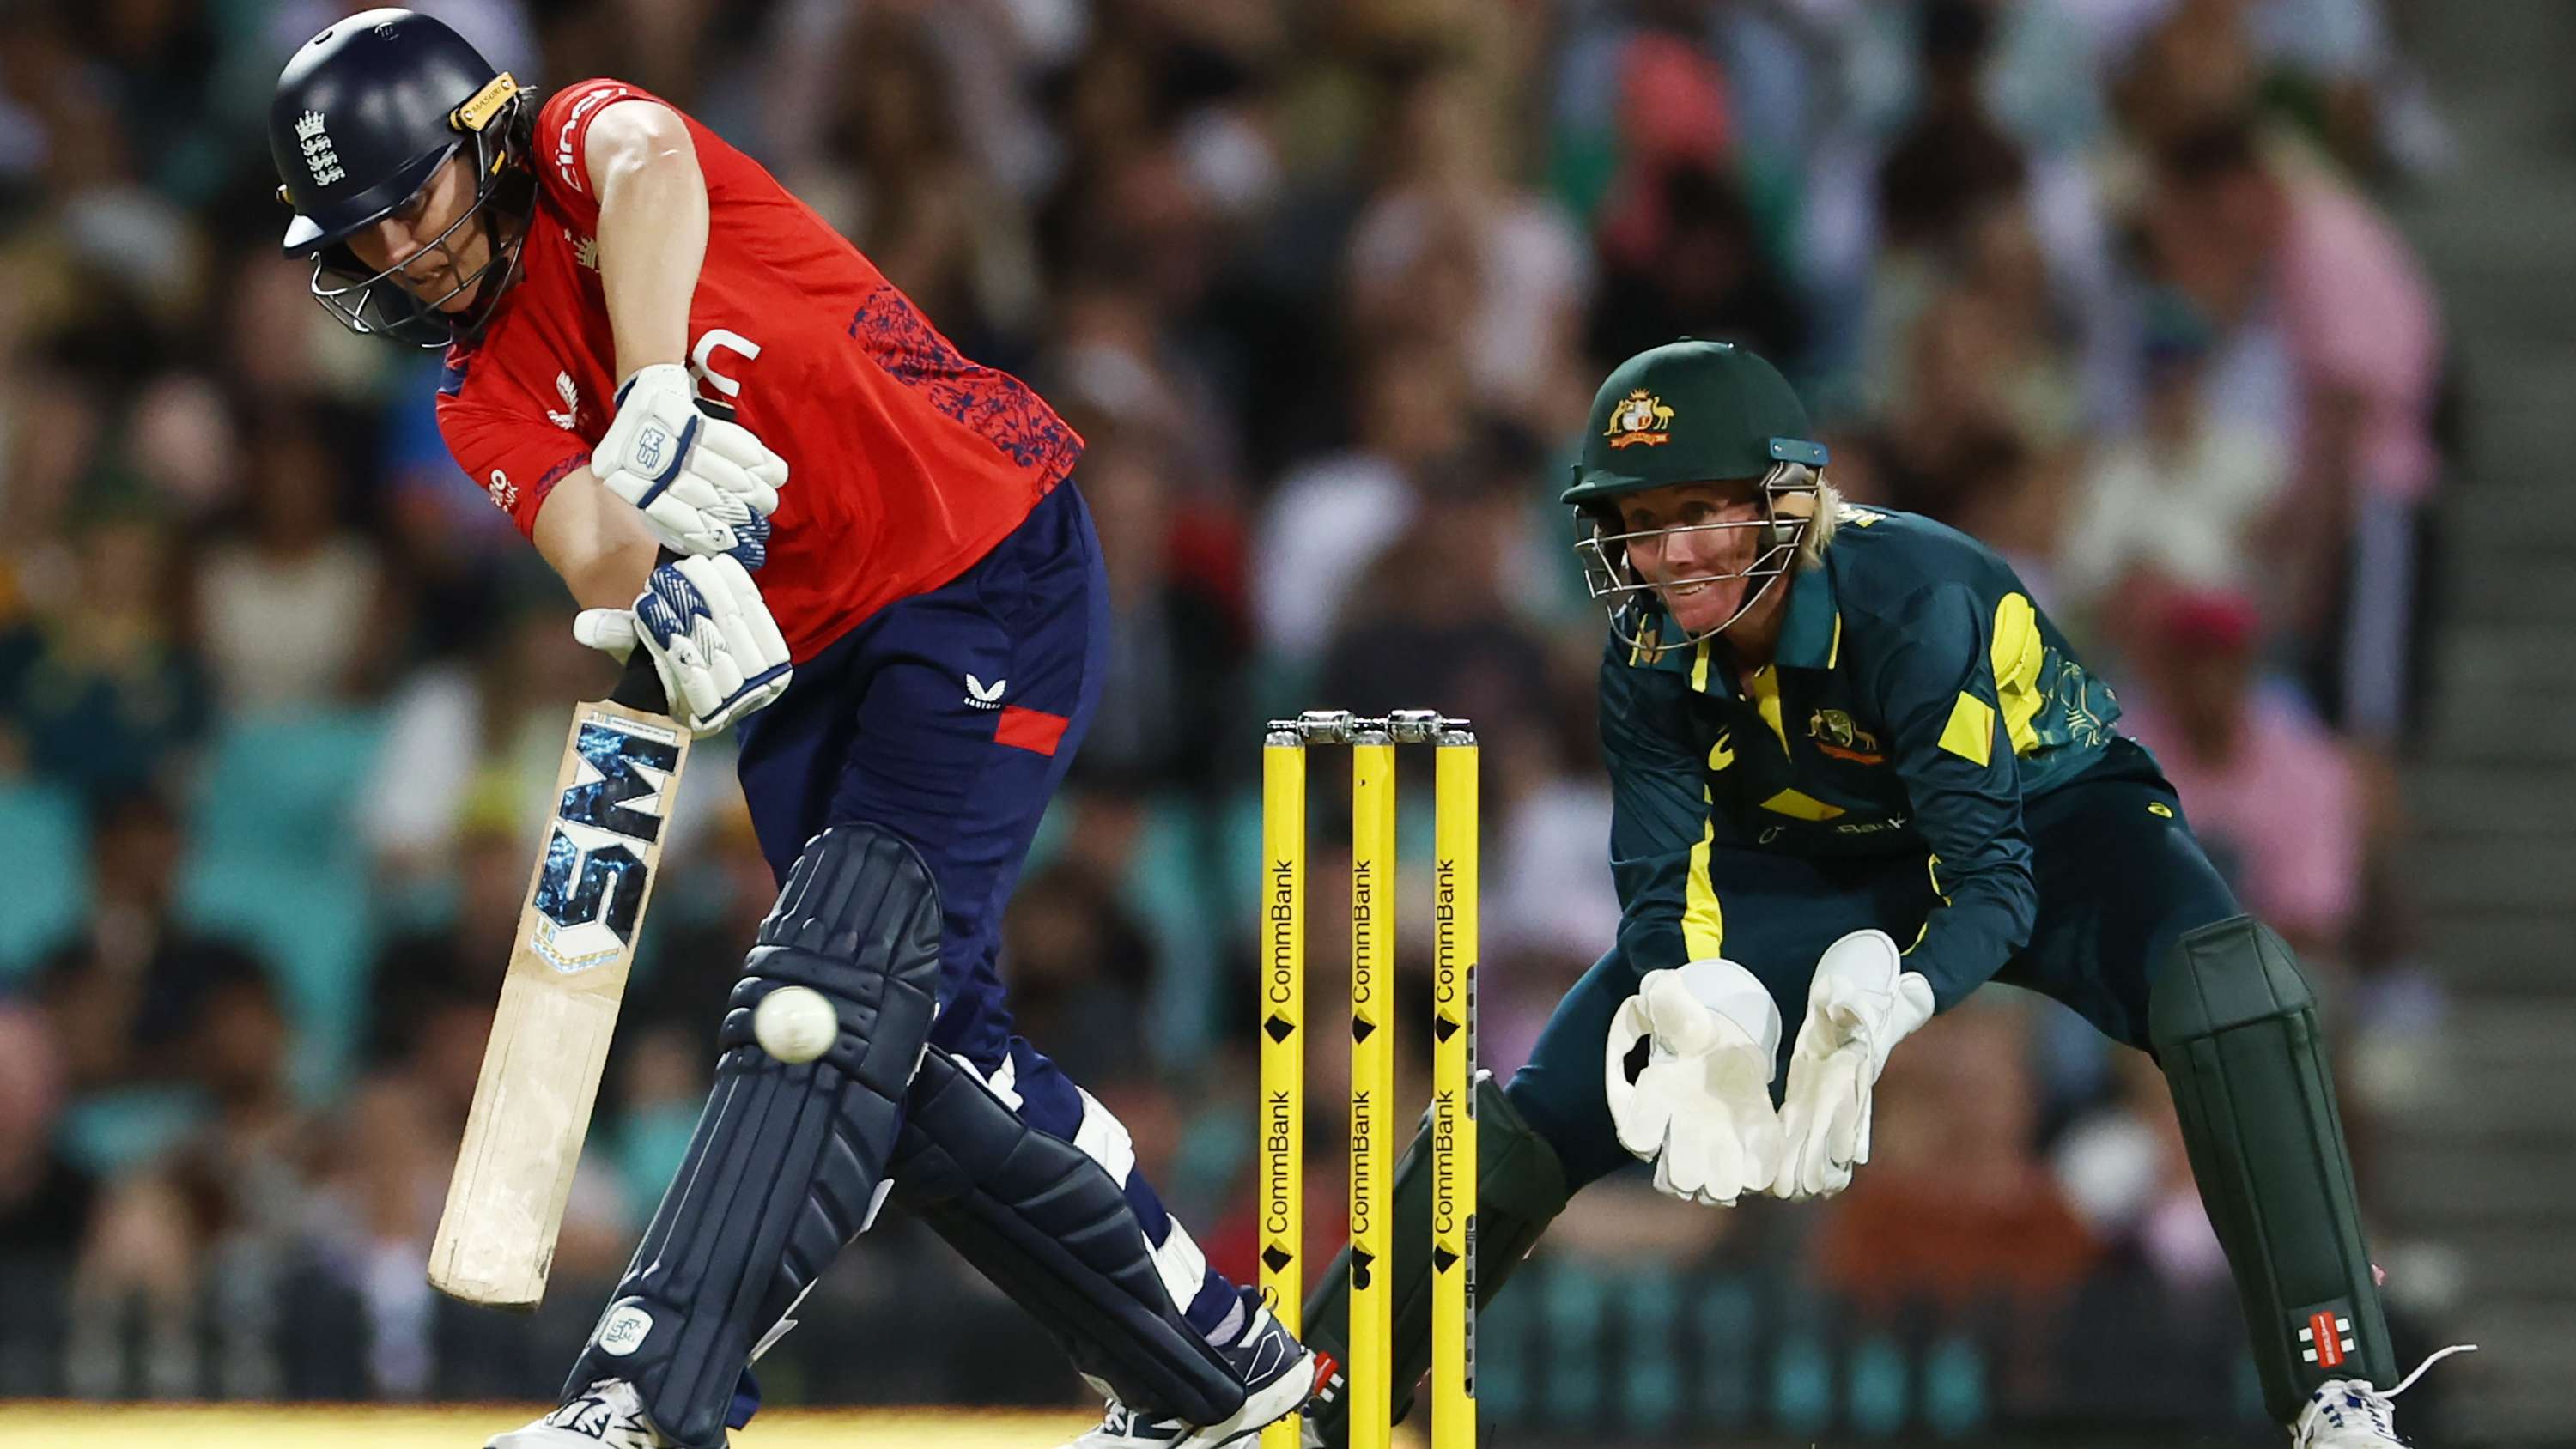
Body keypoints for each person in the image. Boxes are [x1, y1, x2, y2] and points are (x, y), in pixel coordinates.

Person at [262, 12, 1321, 1448]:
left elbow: (649, 163)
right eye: (360, 238)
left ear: (483, 134)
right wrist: (652, 562)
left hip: (980, 564)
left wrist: (652, 395)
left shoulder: (582, 145)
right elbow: (588, 545)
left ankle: (645, 1397)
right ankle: (1220, 1375)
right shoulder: (474, 390)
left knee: (818, 992)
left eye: (409, 203)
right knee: (919, 1054)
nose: (397, 254)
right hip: (809, 669)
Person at [1291, 340, 2466, 1449]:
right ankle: (1318, 1393)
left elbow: (1993, 880)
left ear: (1788, 502)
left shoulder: (1913, 597)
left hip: (2051, 824)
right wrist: (1692, 1014)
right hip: (1812, 853)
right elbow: (1659, 893)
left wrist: (1891, 1010)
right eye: (1639, 525)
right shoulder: (1646, 653)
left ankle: (2338, 1388)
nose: (1670, 556)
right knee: (1547, 1109)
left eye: (1697, 512)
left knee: (2234, 985)